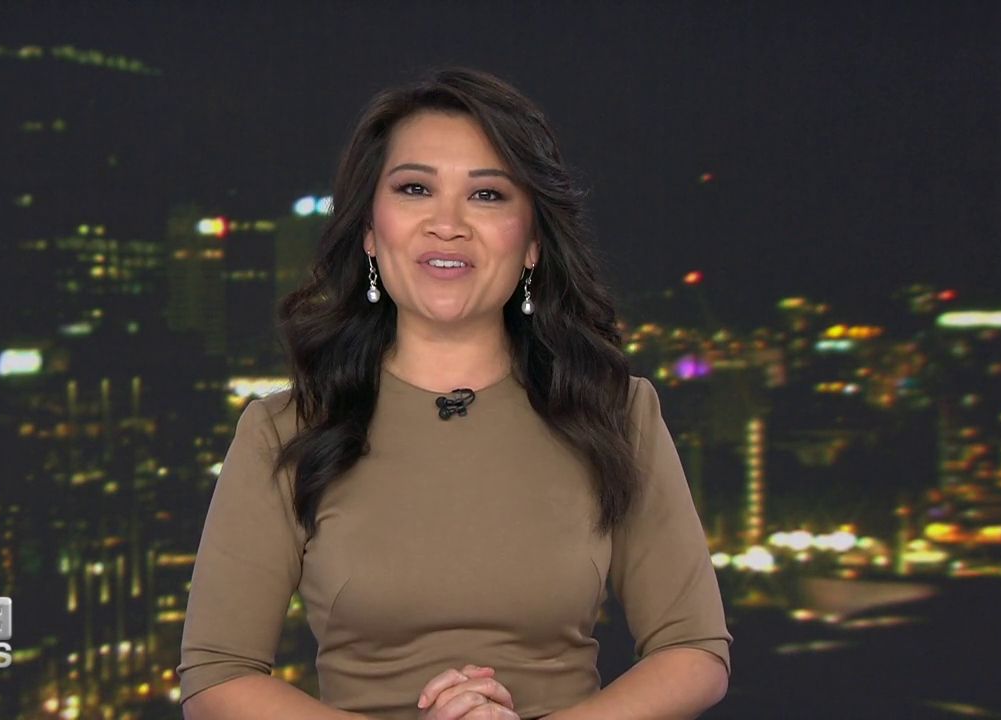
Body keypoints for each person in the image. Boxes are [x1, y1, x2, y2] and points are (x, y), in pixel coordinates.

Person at [178, 66, 731, 720]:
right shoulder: (285, 429)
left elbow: (694, 650)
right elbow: (217, 676)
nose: (448, 224)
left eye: (487, 195)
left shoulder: (615, 412)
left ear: (532, 242)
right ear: (369, 230)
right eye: (415, 189)